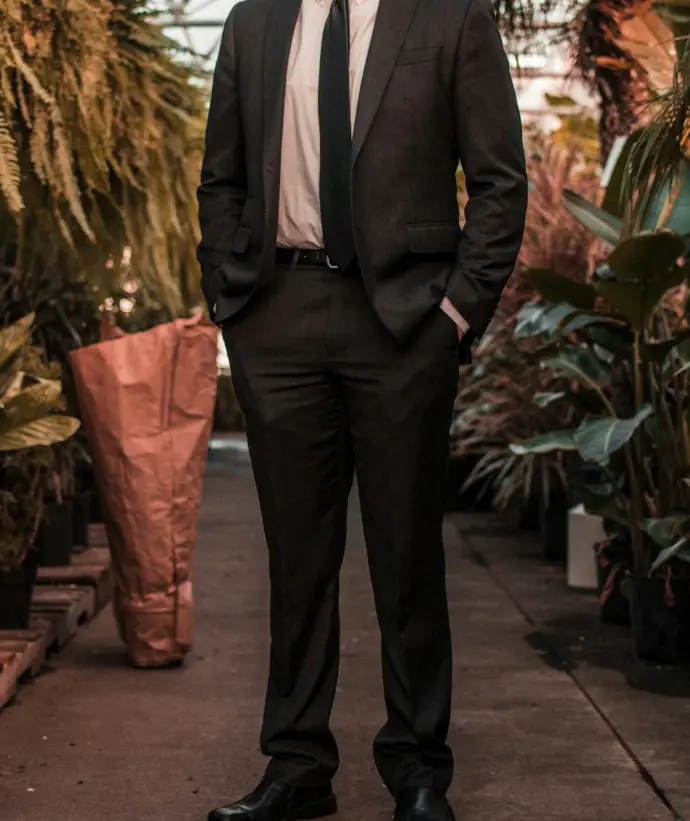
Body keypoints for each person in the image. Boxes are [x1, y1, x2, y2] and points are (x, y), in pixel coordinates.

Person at [197, 0, 527, 815]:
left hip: (405, 320)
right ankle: (298, 764)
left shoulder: (452, 19)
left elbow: (499, 180)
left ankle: (418, 768)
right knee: (297, 558)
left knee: (405, 549)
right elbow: (222, 178)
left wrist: (455, 312)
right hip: (279, 310)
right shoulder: (252, 23)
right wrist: (231, 299)